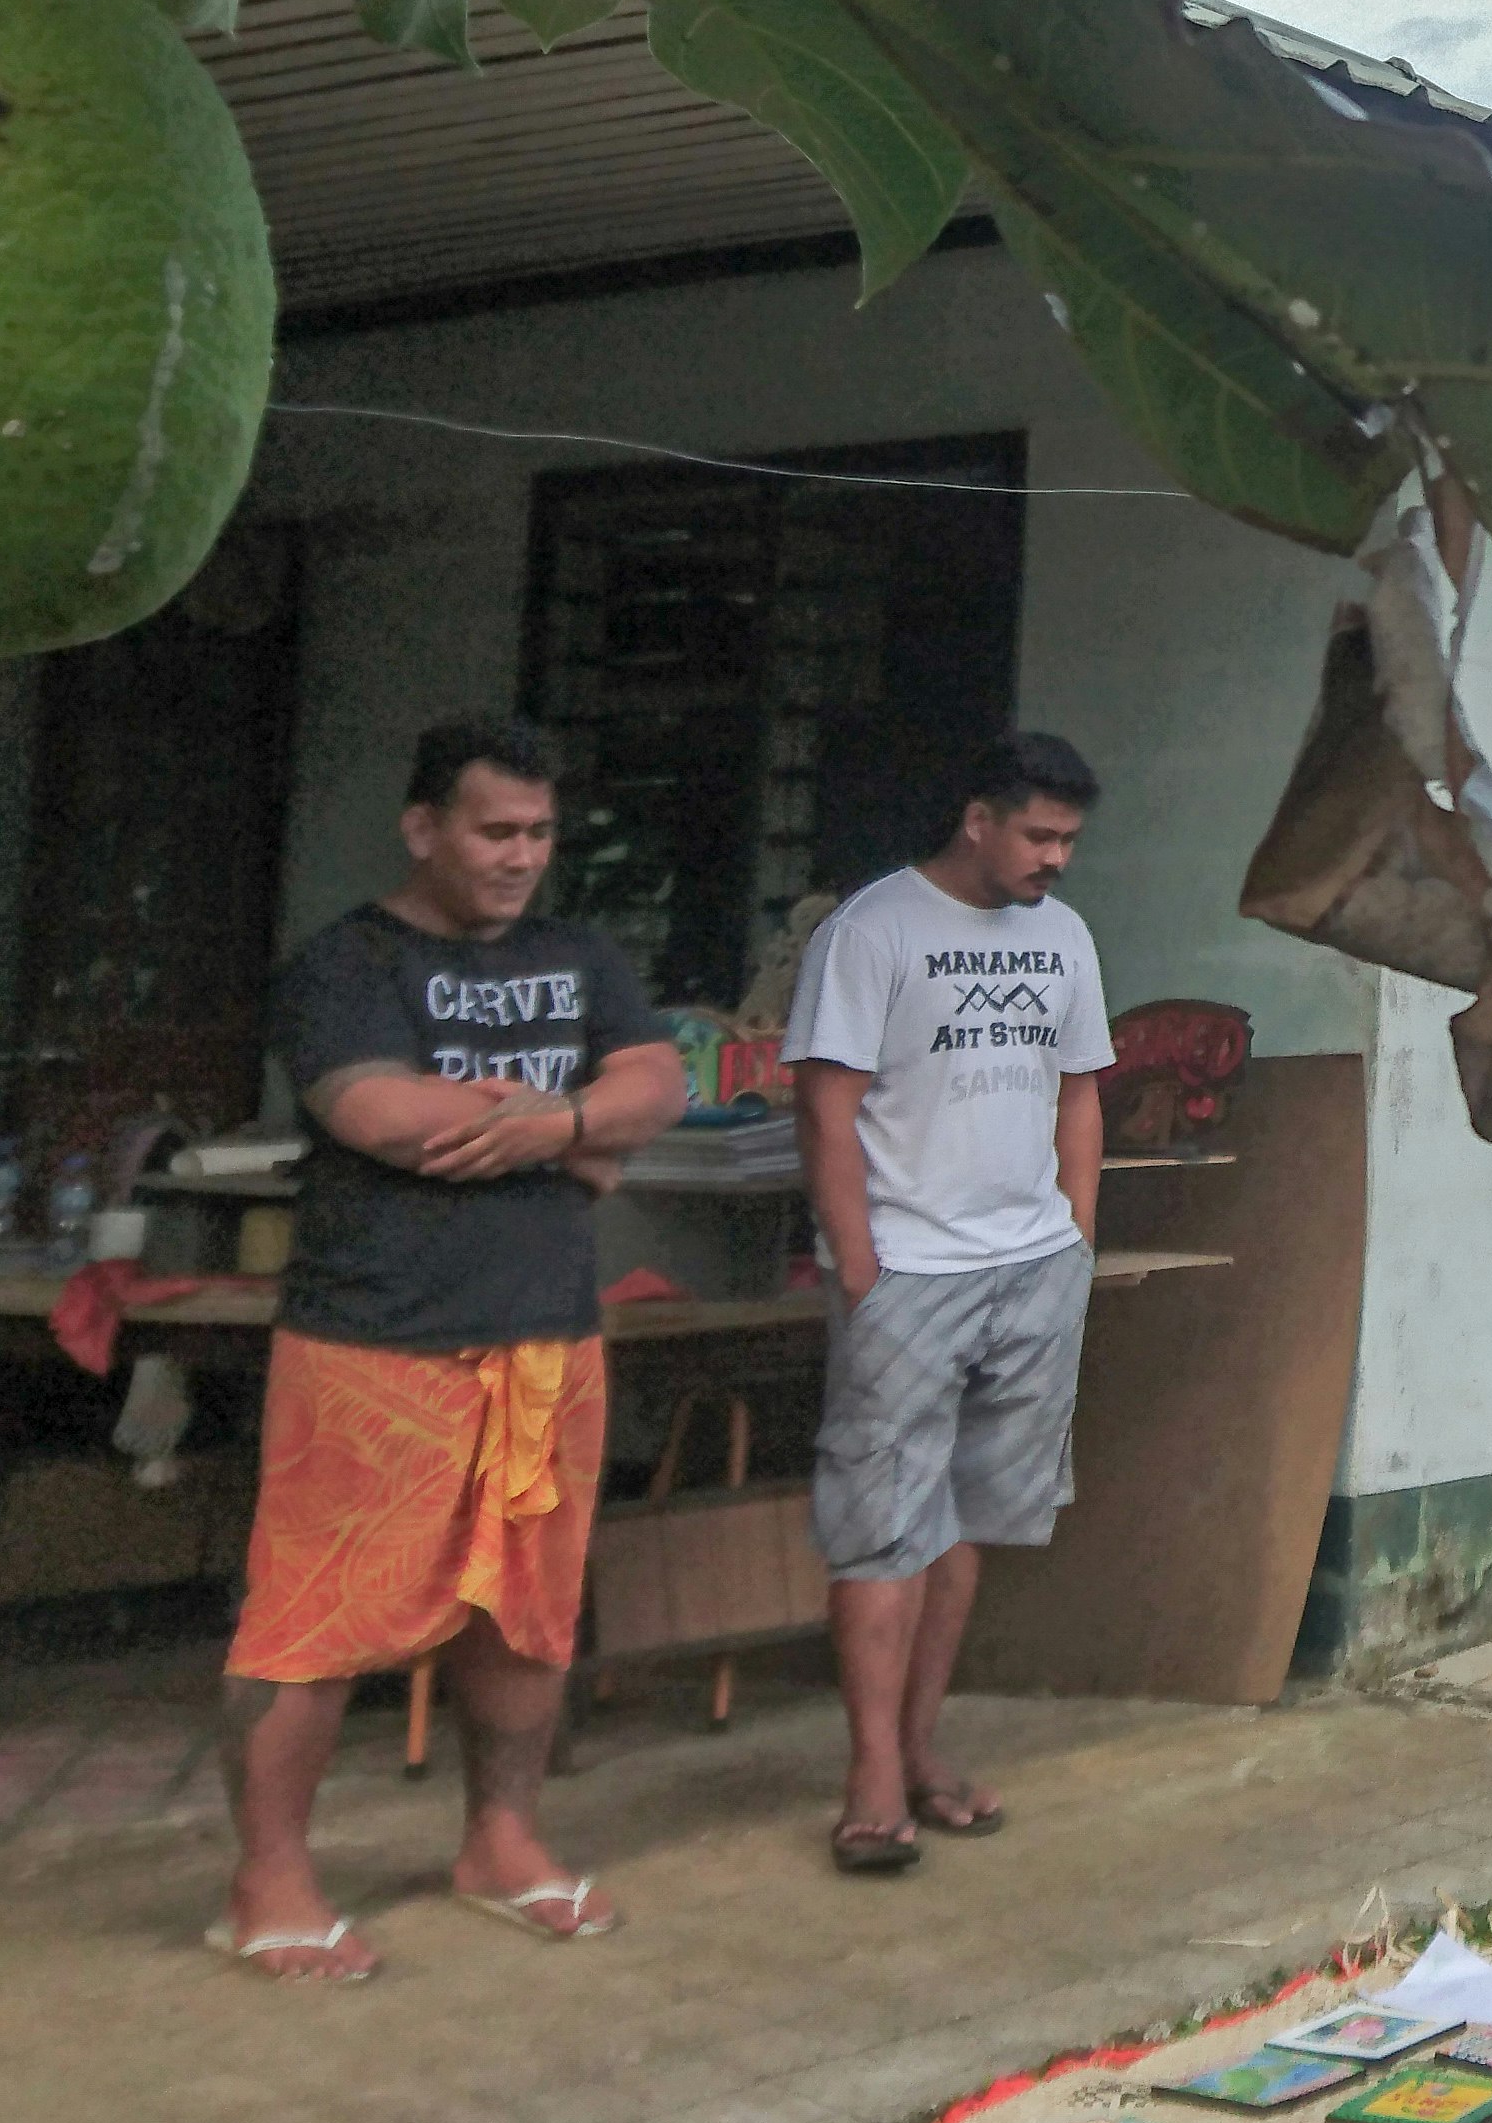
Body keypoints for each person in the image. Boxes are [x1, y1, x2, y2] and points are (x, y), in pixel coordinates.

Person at [216, 715, 683, 1983]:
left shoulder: (579, 953)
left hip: (546, 1339)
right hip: (375, 1339)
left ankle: (502, 1842)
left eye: (537, 833)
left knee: (526, 1615)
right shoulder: (345, 963)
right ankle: (268, 1881)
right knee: (311, 1622)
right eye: (493, 831)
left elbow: (658, 1086)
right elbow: (377, 1114)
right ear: (424, 829)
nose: (519, 856)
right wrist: (573, 1133)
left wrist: (566, 1119)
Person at [787, 733, 1111, 1873]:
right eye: (1039, 835)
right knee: (882, 1522)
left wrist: (1072, 1237)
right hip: (908, 1272)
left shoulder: (1063, 937)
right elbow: (825, 1111)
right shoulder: (872, 931)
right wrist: (862, 1271)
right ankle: (870, 1772)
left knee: (966, 1519)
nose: (1055, 860)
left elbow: (1079, 1094)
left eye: (1068, 840)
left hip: (1030, 1266)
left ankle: (922, 1752)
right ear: (978, 820)